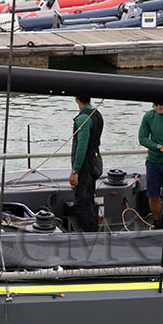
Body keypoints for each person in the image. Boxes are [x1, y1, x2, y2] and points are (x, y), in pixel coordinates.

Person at [68, 95, 104, 232]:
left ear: (76, 99)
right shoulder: (97, 114)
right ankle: (93, 229)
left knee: (82, 201)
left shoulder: (82, 118)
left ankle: (87, 233)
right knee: (89, 198)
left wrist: (75, 170)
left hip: (85, 165)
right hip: (95, 161)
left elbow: (81, 146)